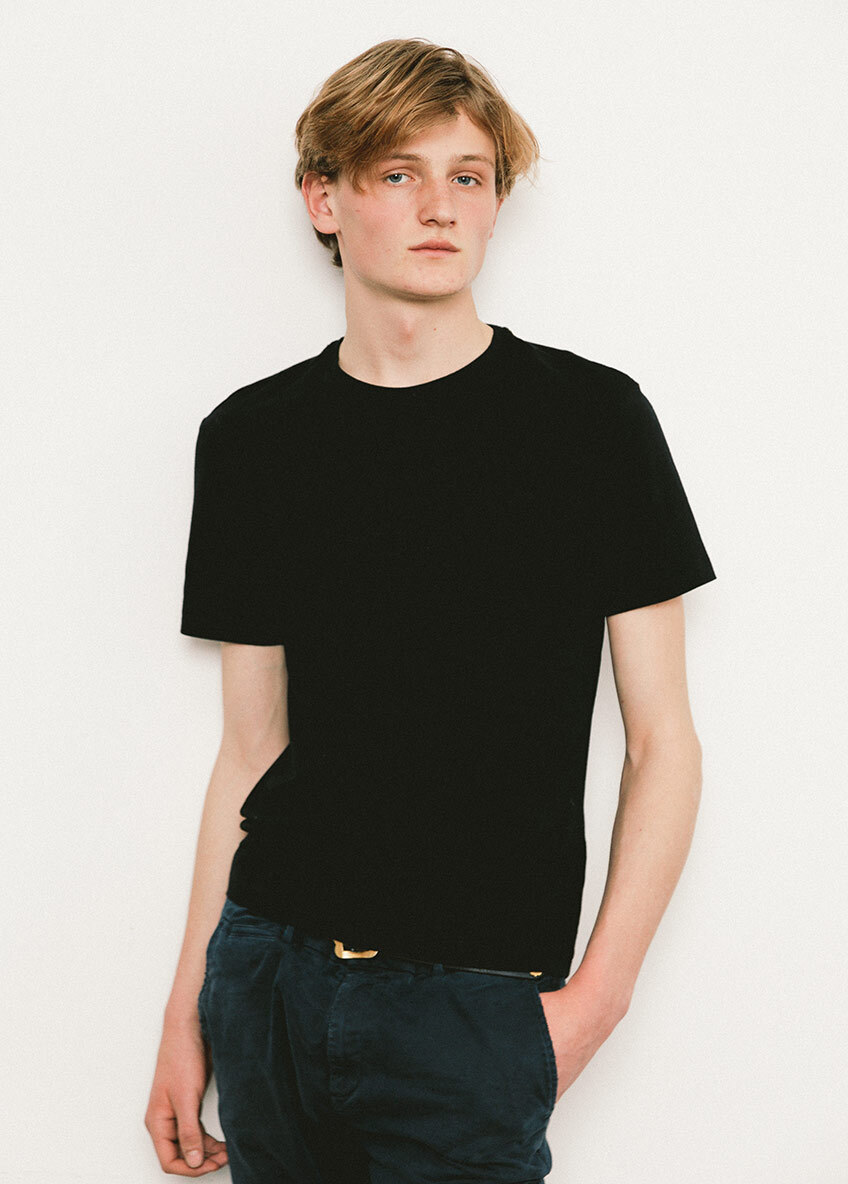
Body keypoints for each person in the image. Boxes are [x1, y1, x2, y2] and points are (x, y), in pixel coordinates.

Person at [145, 36, 717, 1183]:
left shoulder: (589, 423)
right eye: (397, 173)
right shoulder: (253, 439)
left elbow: (663, 742)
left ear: (496, 200)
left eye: (468, 175)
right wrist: (187, 1008)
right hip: (267, 977)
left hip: (471, 1010)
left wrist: (590, 1007)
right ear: (324, 198)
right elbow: (250, 749)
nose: (440, 205)